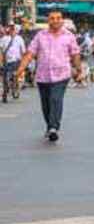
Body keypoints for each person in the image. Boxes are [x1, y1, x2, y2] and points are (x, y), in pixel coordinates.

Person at [19, 8, 81, 141]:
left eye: (58, 18)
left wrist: (79, 70)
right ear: (48, 21)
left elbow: (75, 54)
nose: (55, 21)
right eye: (52, 18)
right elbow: (30, 53)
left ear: (62, 20)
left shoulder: (69, 36)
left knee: (55, 99)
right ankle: (50, 126)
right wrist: (20, 69)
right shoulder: (40, 36)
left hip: (62, 75)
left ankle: (54, 127)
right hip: (43, 75)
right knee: (46, 104)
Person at [2, 22, 26, 103]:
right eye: (10, 27)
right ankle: (5, 93)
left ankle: (15, 87)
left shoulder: (19, 39)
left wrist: (23, 62)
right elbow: (1, 51)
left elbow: (23, 51)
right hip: (6, 61)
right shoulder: (4, 39)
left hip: (16, 61)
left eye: (13, 27)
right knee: (5, 78)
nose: (11, 29)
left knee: (14, 75)